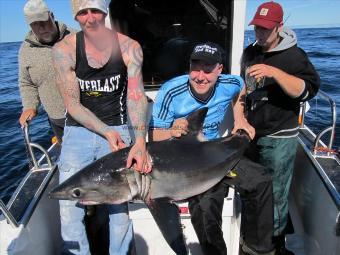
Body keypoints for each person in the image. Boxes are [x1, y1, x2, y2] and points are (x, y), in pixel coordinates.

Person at [150, 42, 275, 255]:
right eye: (195, 68)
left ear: (219, 69)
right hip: (185, 161)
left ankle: (257, 249)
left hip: (215, 152)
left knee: (262, 181)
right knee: (206, 208)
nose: (200, 76)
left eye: (208, 69)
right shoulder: (170, 91)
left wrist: (240, 119)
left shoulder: (230, 83)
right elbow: (155, 137)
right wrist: (173, 131)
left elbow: (241, 88)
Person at [52, 0, 151, 254]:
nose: (90, 18)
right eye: (83, 12)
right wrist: (106, 132)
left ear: (105, 12)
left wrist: (140, 141)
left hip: (119, 125)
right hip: (78, 131)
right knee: (69, 208)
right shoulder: (64, 50)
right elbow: (72, 104)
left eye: (95, 10)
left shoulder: (130, 47)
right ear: (75, 16)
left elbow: (136, 96)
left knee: (120, 208)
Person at [242, 2, 320, 254]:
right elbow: (246, 88)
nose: (260, 34)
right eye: (257, 28)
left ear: (279, 27)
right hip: (253, 133)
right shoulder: (250, 52)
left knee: (275, 193)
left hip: (279, 136)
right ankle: (254, 233)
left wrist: (274, 72)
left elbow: (307, 90)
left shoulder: (295, 56)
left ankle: (274, 245)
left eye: (266, 29)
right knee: (254, 188)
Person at [18, 0, 74, 143]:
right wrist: (30, 106)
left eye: (43, 21)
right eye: (34, 24)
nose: (41, 27)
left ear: (52, 16)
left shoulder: (75, 36)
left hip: (90, 114)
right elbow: (26, 82)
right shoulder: (25, 51)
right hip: (57, 119)